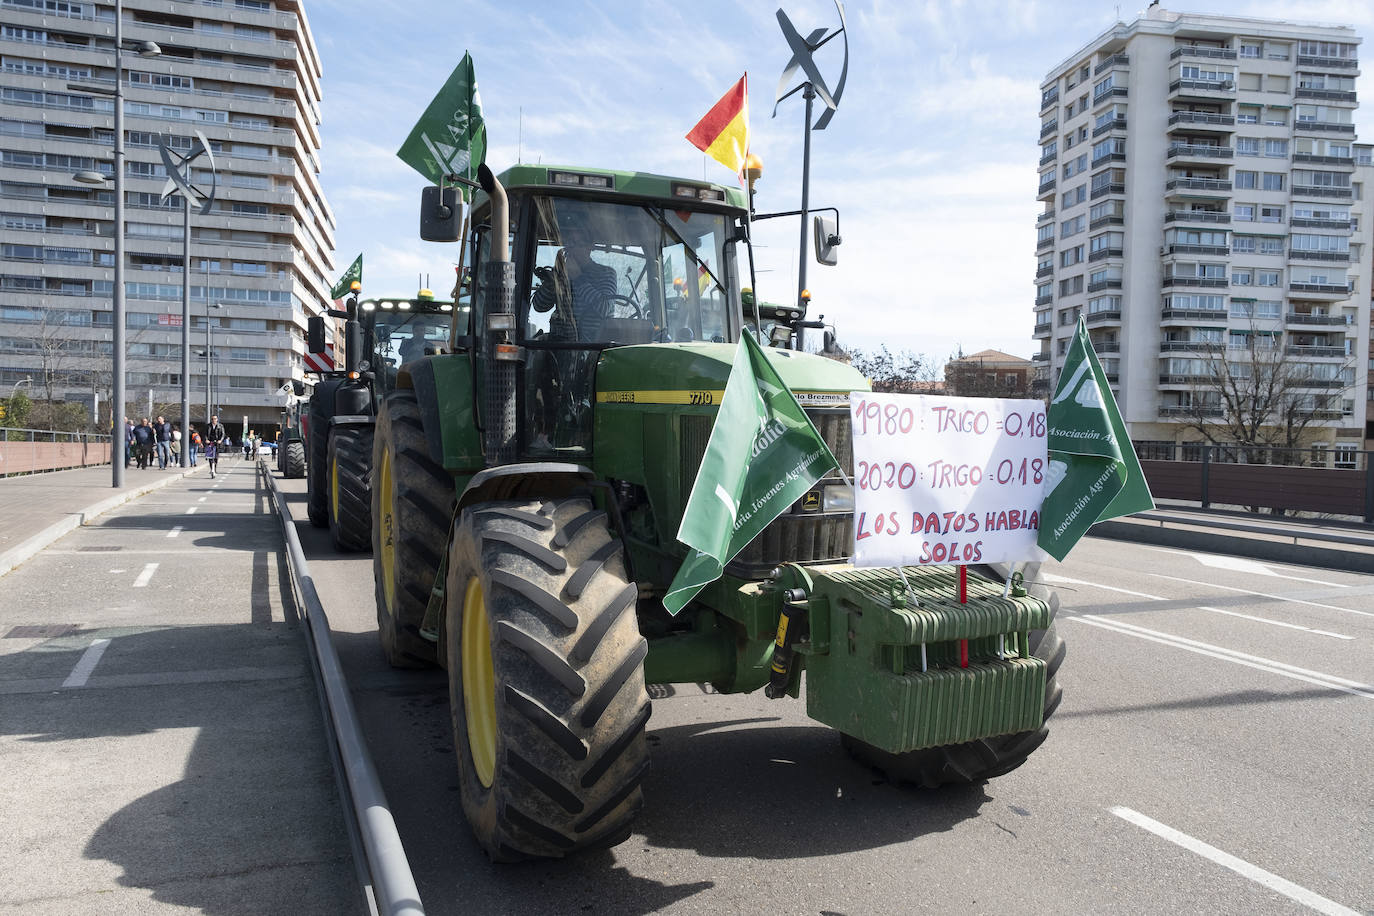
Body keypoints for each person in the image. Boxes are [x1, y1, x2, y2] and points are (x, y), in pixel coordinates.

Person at [531, 231, 618, 343]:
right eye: (570, 244)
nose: (572, 249)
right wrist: (553, 281)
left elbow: (604, 308)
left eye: (579, 243)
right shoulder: (560, 274)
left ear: (590, 246)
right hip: (559, 345)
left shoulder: (606, 273)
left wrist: (577, 277)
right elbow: (539, 306)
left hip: (593, 346)